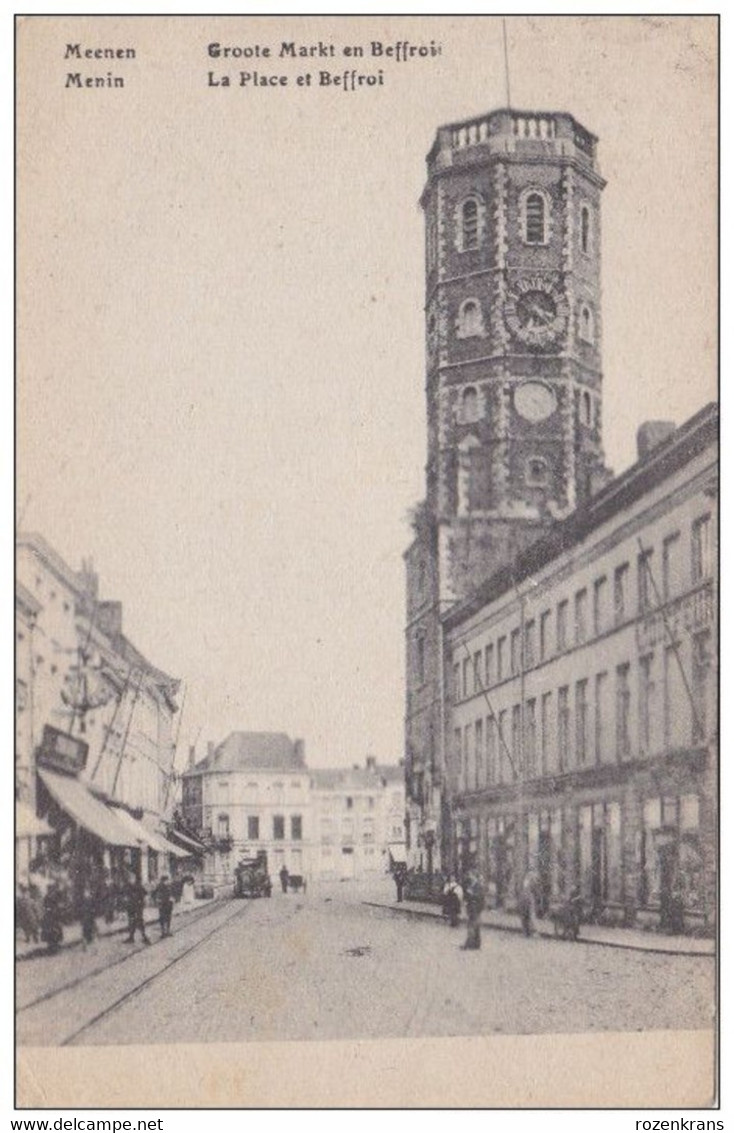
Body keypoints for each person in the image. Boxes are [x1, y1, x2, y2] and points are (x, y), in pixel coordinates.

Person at [461, 870, 485, 950]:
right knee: (475, 926)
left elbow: (480, 897)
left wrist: (471, 894)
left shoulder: (478, 886)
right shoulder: (471, 885)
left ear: (475, 877)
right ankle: (476, 944)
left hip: (475, 908)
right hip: (472, 908)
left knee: (471, 926)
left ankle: (469, 944)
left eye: (471, 875)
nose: (470, 877)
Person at [124, 874, 150, 944]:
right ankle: (131, 937)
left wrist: (143, 903)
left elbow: (145, 894)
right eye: (129, 879)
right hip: (130, 907)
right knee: (131, 922)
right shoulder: (127, 887)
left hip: (138, 907)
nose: (131, 880)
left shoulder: (139, 886)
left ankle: (144, 937)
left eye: (132, 878)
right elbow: (125, 896)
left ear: (135, 879)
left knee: (140, 921)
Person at [78, 879, 98, 949]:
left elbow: (93, 904)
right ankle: (86, 940)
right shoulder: (84, 895)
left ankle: (88, 939)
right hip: (86, 914)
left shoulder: (90, 895)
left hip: (89, 914)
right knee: (86, 927)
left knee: (89, 927)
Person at [518, 870, 537, 938]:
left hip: (526, 899)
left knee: (526, 917)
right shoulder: (527, 882)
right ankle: (529, 932)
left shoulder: (526, 882)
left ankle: (527, 932)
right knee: (529, 916)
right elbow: (528, 891)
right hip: (527, 899)